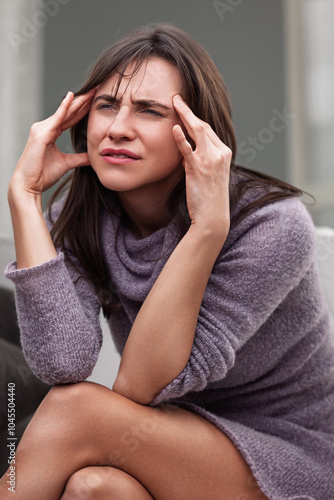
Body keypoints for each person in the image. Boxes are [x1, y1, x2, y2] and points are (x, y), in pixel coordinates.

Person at [0, 23, 333, 500]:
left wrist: (207, 230)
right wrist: (26, 198)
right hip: (166, 433)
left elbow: (139, 384)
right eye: (107, 105)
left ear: (197, 131)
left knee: (74, 411)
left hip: (286, 452)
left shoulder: (272, 225)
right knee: (94, 488)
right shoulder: (81, 216)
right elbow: (62, 362)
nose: (117, 127)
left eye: (149, 110)